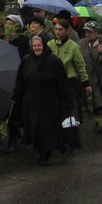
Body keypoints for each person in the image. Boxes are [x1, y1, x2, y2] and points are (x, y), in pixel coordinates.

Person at [13, 34, 74, 165]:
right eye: (34, 46)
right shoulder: (26, 61)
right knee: (35, 128)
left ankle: (46, 153)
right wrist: (15, 94)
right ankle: (40, 151)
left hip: (50, 103)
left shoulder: (54, 61)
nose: (36, 48)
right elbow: (20, 81)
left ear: (44, 45)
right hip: (32, 102)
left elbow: (63, 83)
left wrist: (67, 101)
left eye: (39, 45)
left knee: (47, 129)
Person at [47, 17, 92, 148]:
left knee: (70, 111)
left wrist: (86, 83)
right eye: (55, 29)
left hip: (70, 82)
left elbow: (80, 66)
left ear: (67, 31)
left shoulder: (73, 46)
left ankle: (71, 137)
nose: (57, 32)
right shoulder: (50, 45)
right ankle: (57, 137)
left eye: (60, 29)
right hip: (54, 83)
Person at [78, 21, 102, 133]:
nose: (87, 34)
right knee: (91, 104)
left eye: (90, 32)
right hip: (87, 77)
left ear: (96, 32)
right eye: (86, 32)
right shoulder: (82, 43)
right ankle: (98, 122)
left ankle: (99, 123)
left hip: (100, 78)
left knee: (99, 104)